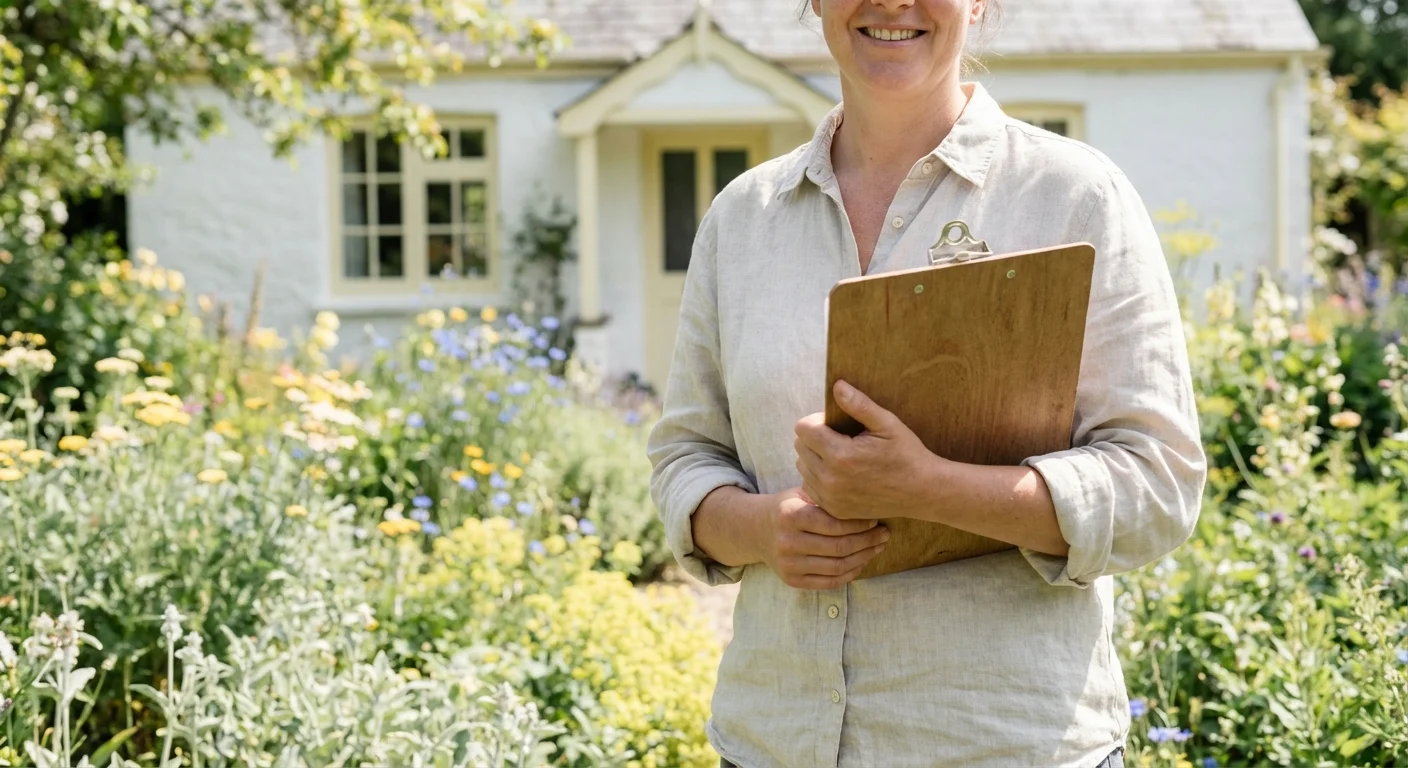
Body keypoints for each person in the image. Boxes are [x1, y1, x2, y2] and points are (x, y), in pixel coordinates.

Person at [645, 0, 1208, 766]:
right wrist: (760, 528)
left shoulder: (1075, 199)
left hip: (1006, 747)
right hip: (771, 742)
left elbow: (1158, 484)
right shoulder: (743, 219)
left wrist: (929, 489)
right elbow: (686, 456)